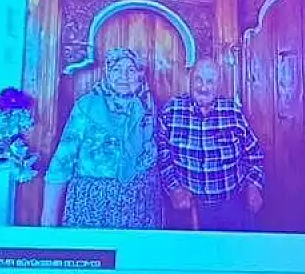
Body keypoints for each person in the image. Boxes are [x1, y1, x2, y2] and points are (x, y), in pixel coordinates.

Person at [41, 47, 161, 229]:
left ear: (139, 74)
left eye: (130, 69)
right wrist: (49, 217)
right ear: (107, 72)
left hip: (139, 206)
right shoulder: (87, 106)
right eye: (116, 69)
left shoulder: (147, 106)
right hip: (92, 205)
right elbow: (62, 161)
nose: (124, 76)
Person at [156, 58, 264, 231]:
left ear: (219, 85)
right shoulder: (172, 110)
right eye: (198, 79)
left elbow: (255, 155)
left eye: (210, 81)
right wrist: (174, 189)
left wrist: (253, 185)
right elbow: (162, 157)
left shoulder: (232, 112)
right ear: (190, 80)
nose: (203, 87)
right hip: (186, 208)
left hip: (232, 206)